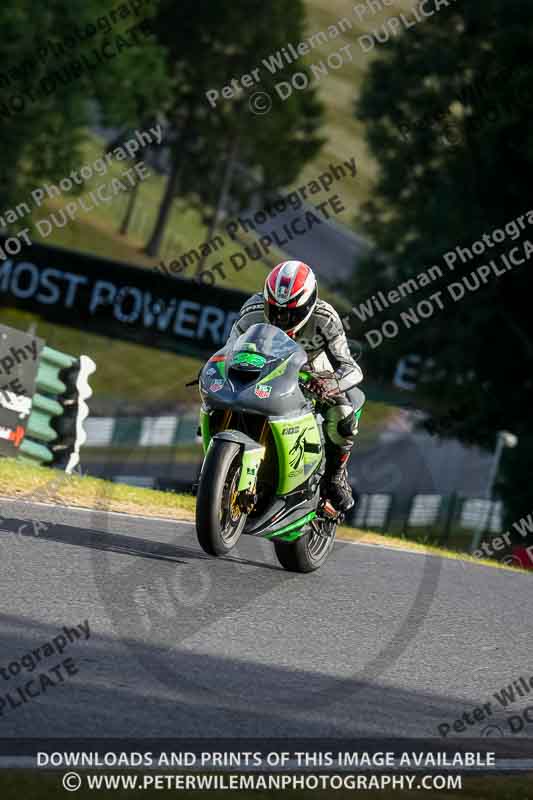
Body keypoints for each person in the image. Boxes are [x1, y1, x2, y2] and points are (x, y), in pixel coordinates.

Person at [226, 260, 364, 512]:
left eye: (290, 312)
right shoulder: (253, 309)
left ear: (309, 305)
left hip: (313, 373)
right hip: (264, 369)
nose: (281, 318)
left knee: (343, 418)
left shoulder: (326, 319)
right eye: (275, 309)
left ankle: (335, 477)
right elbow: (229, 349)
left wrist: (330, 383)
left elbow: (352, 368)